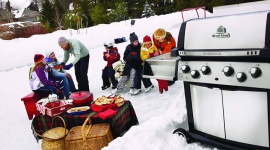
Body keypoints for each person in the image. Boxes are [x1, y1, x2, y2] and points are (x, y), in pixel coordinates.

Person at [152, 28, 176, 93]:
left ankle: (171, 79)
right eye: (158, 38)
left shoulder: (169, 39)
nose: (159, 39)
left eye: (161, 38)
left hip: (171, 49)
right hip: (162, 49)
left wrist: (160, 53)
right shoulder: (154, 37)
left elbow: (167, 50)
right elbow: (156, 45)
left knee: (168, 63)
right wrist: (157, 51)